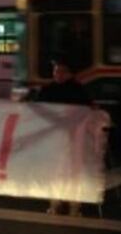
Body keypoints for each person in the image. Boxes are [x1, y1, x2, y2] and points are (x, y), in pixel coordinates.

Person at [34, 61, 93, 216]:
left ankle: (74, 205)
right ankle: (55, 203)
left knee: (72, 170)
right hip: (56, 136)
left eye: (60, 72)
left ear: (69, 74)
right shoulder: (48, 89)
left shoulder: (78, 90)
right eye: (55, 72)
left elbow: (87, 109)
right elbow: (38, 108)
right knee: (56, 170)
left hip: (72, 136)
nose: (57, 75)